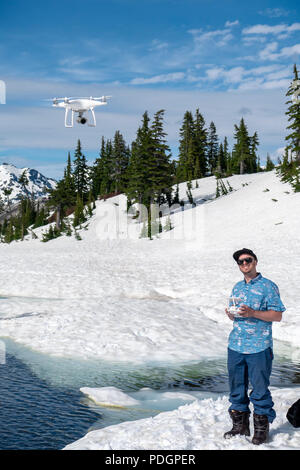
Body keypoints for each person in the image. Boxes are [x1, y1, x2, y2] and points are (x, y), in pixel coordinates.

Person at [224, 248, 285, 445]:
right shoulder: (237, 287)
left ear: (255, 261)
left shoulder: (269, 287)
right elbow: (239, 313)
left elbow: (277, 315)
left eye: (247, 260)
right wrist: (232, 315)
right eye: (240, 262)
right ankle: (240, 425)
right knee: (236, 388)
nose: (244, 264)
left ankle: (261, 430)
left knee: (259, 389)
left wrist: (253, 313)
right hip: (236, 345)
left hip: (259, 347)